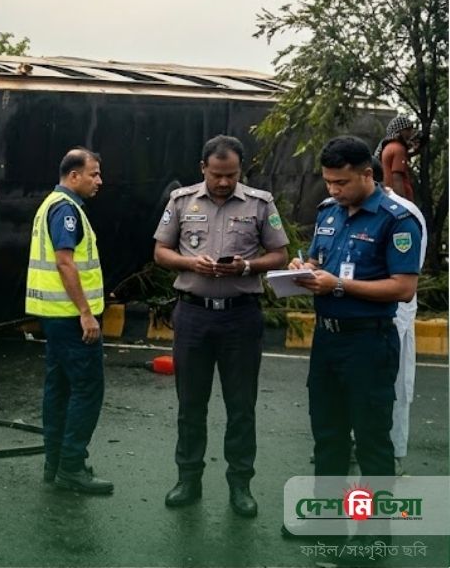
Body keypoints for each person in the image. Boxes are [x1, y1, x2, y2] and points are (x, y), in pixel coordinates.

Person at [152, 135, 289, 517]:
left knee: (241, 406)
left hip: (240, 316)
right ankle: (188, 479)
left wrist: (247, 266)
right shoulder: (181, 201)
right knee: (190, 405)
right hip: (193, 315)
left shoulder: (261, 204)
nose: (224, 182)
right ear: (203, 169)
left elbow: (280, 253)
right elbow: (161, 251)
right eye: (217, 175)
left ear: (240, 170)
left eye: (231, 175)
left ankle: (241, 485)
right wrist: (190, 263)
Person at [289, 136, 421, 481]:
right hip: (327, 341)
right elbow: (318, 259)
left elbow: (404, 288)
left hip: (369, 343)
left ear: (367, 174)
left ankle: (372, 531)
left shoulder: (397, 220)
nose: (333, 189)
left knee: (372, 442)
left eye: (341, 182)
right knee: (328, 438)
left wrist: (339, 285)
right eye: (328, 181)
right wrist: (301, 267)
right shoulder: (328, 212)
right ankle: (326, 520)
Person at [25, 147, 112, 495]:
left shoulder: (51, 204)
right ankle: (72, 466)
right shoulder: (66, 211)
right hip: (72, 319)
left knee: (58, 388)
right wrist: (86, 314)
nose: (99, 181)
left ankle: (55, 462)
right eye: (94, 174)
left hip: (55, 317)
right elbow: (65, 263)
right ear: (74, 175)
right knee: (88, 389)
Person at [372, 157, 427, 476]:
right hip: (351, 317)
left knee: (394, 388)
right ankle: (354, 442)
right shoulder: (337, 207)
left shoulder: (405, 214)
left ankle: (392, 452)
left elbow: (406, 276)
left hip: (393, 316)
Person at [377, 115, 419, 203]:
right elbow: (397, 178)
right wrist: (403, 202)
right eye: (407, 130)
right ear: (399, 131)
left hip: (388, 197)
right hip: (397, 199)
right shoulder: (398, 149)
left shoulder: (389, 147)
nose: (410, 133)